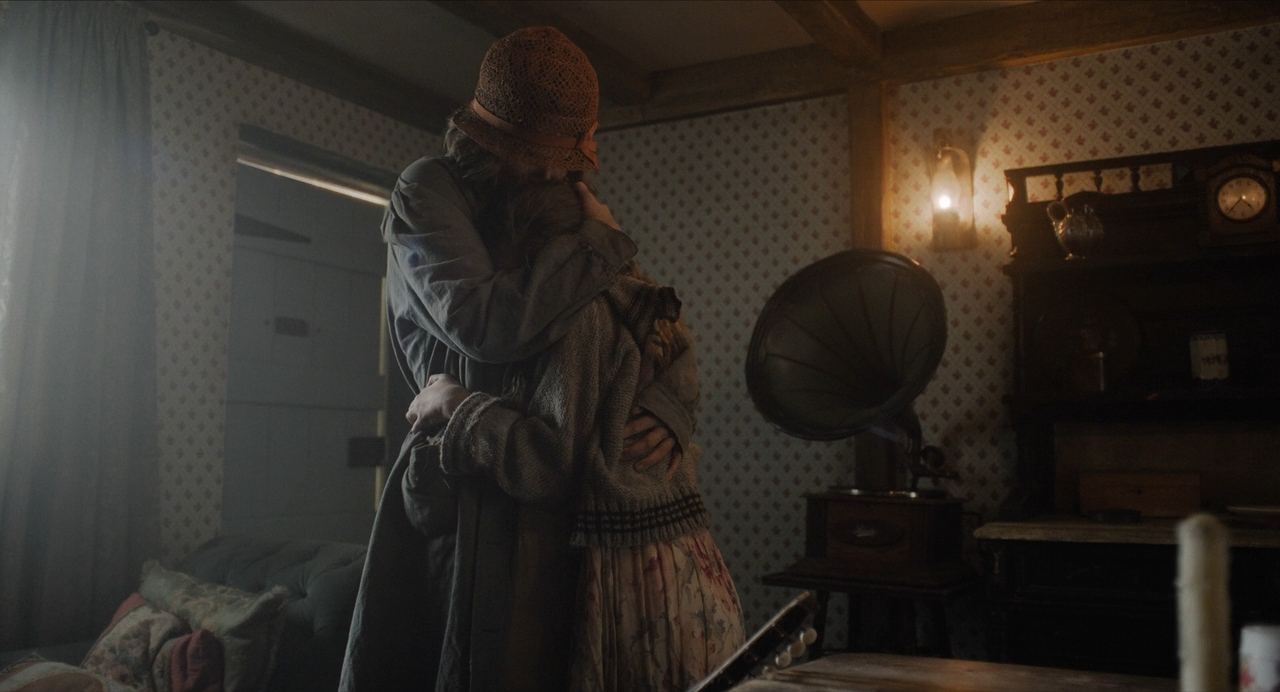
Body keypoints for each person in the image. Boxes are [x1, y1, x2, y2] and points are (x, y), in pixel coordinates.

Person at [340, 26, 712, 692]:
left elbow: (639, 310)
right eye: (532, 156)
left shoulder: (564, 206)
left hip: (547, 499)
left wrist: (669, 404)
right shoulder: (427, 191)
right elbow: (487, 326)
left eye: (558, 160)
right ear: (486, 140)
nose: (549, 173)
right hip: (462, 483)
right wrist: (597, 241)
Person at [408, 166, 746, 689]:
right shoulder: (631, 294)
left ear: (532, 254)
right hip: (679, 568)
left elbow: (550, 464)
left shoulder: (580, 319)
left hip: (639, 585)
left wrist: (459, 405)